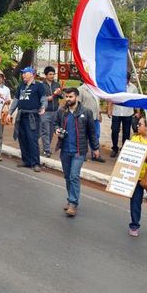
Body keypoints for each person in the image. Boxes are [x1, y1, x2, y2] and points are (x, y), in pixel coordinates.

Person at [54, 87, 100, 217]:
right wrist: (57, 130)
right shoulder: (62, 111)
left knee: (74, 176)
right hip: (65, 150)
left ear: (77, 97)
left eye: (70, 97)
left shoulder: (86, 112)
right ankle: (70, 199)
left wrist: (95, 148)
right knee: (68, 176)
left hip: (79, 151)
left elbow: (92, 132)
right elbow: (55, 124)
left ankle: (73, 203)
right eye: (66, 97)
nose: (68, 99)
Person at [8, 66, 46, 172]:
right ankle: (26, 161)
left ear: (31, 74)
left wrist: (43, 107)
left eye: (25, 73)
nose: (23, 75)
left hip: (32, 116)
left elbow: (43, 99)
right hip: (21, 116)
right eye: (23, 73)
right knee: (22, 138)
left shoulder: (38, 86)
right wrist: (10, 113)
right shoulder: (21, 86)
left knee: (32, 139)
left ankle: (35, 163)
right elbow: (16, 100)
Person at [107, 72, 138, 157]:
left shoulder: (133, 87)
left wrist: (138, 111)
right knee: (115, 131)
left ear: (129, 79)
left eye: (127, 80)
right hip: (116, 112)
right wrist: (109, 110)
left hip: (128, 113)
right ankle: (114, 148)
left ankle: (124, 149)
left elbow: (136, 100)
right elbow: (111, 98)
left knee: (126, 132)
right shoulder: (116, 86)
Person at [78, 83, 105, 162]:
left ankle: (96, 155)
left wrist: (99, 114)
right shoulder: (81, 89)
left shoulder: (95, 88)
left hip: (95, 117)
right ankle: (82, 155)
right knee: (84, 136)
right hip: (85, 117)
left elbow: (97, 103)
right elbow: (78, 104)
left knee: (96, 135)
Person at [40, 66, 62, 158]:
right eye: (50, 74)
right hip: (45, 111)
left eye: (53, 74)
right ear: (46, 75)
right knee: (45, 131)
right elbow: (39, 97)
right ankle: (47, 150)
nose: (52, 76)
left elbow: (62, 96)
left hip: (55, 111)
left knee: (51, 132)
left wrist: (59, 93)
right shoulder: (41, 85)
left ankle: (46, 148)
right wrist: (46, 98)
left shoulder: (56, 84)